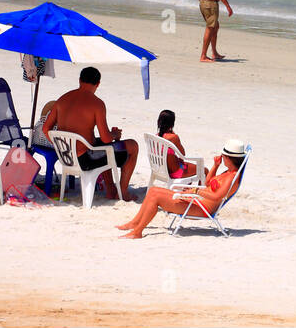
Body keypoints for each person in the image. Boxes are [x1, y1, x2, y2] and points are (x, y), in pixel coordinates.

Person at [41, 66, 139, 201]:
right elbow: (106, 139)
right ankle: (122, 193)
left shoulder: (62, 99)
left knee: (100, 146)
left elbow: (46, 128)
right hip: (86, 160)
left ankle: (110, 189)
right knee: (132, 146)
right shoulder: (97, 104)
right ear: (98, 84)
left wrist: (61, 146)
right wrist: (115, 135)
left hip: (66, 157)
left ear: (80, 80)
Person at [116, 140, 247, 238]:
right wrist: (216, 165)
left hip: (202, 208)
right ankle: (135, 223)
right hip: (196, 201)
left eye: (223, 156)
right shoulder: (228, 172)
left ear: (230, 158)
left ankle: (138, 232)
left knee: (156, 197)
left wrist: (195, 191)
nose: (221, 157)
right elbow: (208, 183)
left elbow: (217, 197)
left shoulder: (231, 177)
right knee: (153, 191)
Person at [156, 109, 195, 179]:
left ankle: (186, 188)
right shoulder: (173, 137)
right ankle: (202, 190)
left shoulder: (156, 137)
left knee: (184, 164)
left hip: (161, 171)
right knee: (204, 170)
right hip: (175, 172)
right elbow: (183, 154)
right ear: (172, 123)